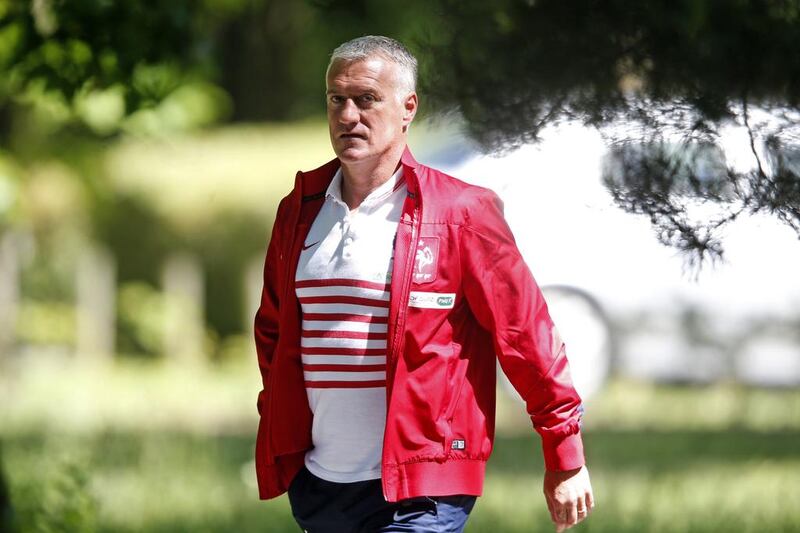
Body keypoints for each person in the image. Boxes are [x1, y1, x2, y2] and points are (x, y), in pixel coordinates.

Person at [254, 35, 594, 532]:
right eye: (336, 99)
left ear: (408, 106)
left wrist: (564, 452)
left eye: (367, 99)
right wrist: (281, 428)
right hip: (321, 485)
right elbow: (273, 332)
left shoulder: (460, 212)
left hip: (425, 488)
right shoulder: (299, 209)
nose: (349, 115)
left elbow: (526, 334)